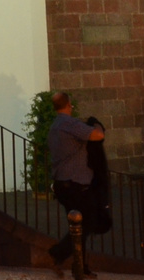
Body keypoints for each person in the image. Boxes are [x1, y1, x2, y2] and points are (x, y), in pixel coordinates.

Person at [46, 91, 106, 275]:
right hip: (75, 185)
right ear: (69, 105)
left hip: (62, 184)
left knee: (78, 227)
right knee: (87, 223)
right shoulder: (69, 124)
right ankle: (58, 254)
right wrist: (97, 124)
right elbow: (97, 135)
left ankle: (80, 267)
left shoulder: (54, 127)